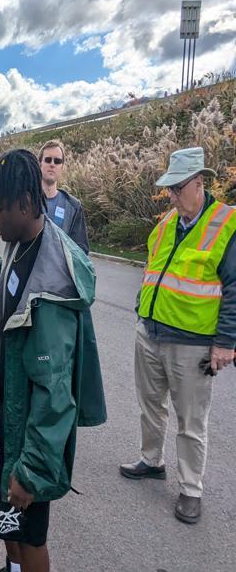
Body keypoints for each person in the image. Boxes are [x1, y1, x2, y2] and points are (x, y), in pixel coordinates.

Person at [0, 149, 105, 572]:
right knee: (7, 512)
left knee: (29, 527)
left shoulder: (54, 281)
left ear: (26, 205)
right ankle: (11, 568)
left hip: (33, 427)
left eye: (0, 210)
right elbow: (12, 297)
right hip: (11, 409)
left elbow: (56, 392)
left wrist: (32, 470)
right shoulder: (20, 242)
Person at [120, 146, 236, 525]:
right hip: (150, 333)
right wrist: (141, 309)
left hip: (192, 344)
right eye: (169, 188)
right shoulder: (168, 222)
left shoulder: (225, 223)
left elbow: (234, 288)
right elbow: (152, 266)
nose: (171, 195)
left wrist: (225, 343)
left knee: (191, 421)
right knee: (151, 405)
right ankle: (152, 461)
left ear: (199, 183)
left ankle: (191, 489)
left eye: (177, 188)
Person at [38, 140, 89, 253]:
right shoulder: (25, 201)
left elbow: (81, 249)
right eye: (48, 159)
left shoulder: (74, 207)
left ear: (62, 167)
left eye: (57, 161)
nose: (52, 164)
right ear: (39, 164)